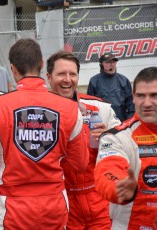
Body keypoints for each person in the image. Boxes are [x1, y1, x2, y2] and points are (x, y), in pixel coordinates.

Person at [0, 38, 88, 229]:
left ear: (13, 69)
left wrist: (2, 189)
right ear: (42, 65)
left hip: (12, 204)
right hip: (55, 203)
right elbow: (80, 163)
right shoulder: (70, 108)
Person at [47, 50, 121, 229]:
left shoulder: (99, 107)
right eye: (61, 74)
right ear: (49, 77)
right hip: (62, 202)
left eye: (72, 74)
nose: (67, 79)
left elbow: (124, 147)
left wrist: (108, 136)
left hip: (99, 200)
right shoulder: (38, 113)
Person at [94, 66, 157, 229]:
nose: (147, 103)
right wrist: (118, 186)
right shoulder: (117, 136)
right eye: (141, 96)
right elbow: (107, 169)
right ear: (133, 97)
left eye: (154, 95)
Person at [87, 53, 135, 122]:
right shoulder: (94, 81)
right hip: (101, 123)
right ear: (101, 65)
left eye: (113, 62)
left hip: (121, 123)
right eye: (108, 62)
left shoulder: (124, 80)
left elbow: (131, 105)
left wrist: (128, 121)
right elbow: (90, 104)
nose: (111, 64)